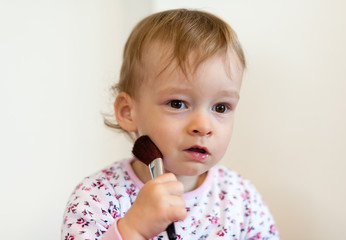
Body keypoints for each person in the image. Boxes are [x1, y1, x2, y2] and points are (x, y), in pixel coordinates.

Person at [61, 8, 280, 240]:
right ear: (128, 112)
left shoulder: (241, 198)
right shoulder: (97, 197)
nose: (203, 126)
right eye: (177, 103)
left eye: (220, 108)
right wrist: (133, 230)